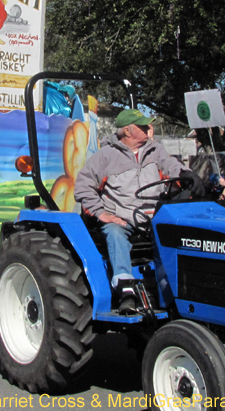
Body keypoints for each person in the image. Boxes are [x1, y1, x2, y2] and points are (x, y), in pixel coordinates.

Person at [74, 108, 204, 312]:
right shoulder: (105, 156)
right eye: (143, 126)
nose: (147, 128)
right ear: (127, 131)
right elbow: (83, 186)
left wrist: (187, 174)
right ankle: (126, 290)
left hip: (153, 217)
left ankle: (178, 286)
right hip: (122, 218)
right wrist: (101, 213)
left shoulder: (155, 150)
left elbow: (172, 166)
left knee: (177, 230)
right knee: (114, 232)